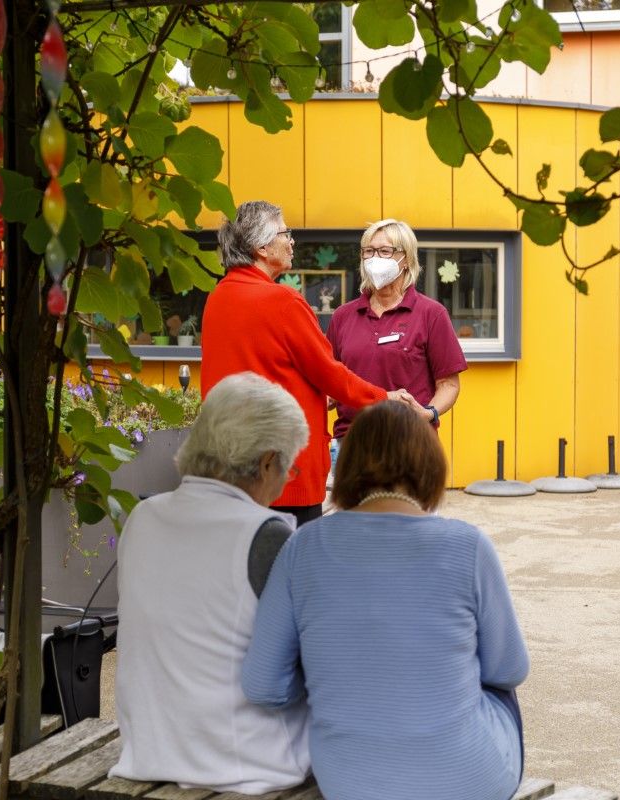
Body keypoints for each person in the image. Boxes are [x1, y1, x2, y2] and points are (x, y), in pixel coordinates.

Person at [242, 401, 529, 800]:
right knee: (494, 685)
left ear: (349, 463)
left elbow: (263, 686)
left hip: (349, 783)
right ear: (430, 464)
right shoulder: (468, 546)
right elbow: (509, 670)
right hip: (469, 782)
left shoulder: (303, 547)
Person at [109, 372, 311, 795]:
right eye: (288, 469)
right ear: (267, 462)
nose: (283, 482)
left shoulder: (143, 518)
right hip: (248, 764)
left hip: (147, 752)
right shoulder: (266, 536)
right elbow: (307, 668)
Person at [202, 200, 408, 527]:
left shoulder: (218, 298)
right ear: (261, 247)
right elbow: (329, 373)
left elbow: (258, 369)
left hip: (232, 470)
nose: (292, 241)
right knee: (294, 572)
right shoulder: (283, 301)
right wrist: (384, 397)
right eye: (286, 233)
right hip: (283, 476)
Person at [326, 218, 467, 440]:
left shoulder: (431, 313)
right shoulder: (343, 316)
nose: (374, 258)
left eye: (384, 251)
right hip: (352, 443)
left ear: (406, 258)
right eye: (368, 251)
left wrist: (428, 413)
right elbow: (331, 384)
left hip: (409, 440)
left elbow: (448, 384)